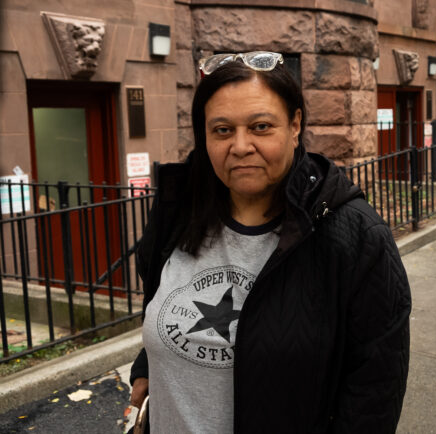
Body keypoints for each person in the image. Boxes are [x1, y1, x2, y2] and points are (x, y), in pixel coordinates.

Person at [128, 52, 411, 433]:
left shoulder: (355, 237)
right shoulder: (179, 211)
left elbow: (374, 392)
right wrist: (150, 365)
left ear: (295, 125)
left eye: (260, 126)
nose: (241, 146)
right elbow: (161, 304)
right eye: (222, 130)